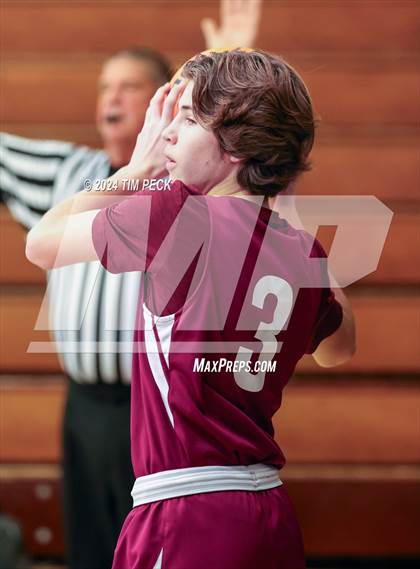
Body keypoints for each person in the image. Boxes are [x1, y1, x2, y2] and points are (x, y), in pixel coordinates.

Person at [26, 48, 355, 568]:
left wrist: (137, 168)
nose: (168, 135)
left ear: (236, 146)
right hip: (268, 511)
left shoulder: (179, 215)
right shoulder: (302, 249)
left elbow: (41, 243)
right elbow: (339, 348)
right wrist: (292, 216)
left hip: (186, 512)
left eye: (188, 119)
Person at [1, 3, 262, 567]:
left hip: (157, 410)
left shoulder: (187, 183)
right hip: (82, 405)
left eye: (128, 87)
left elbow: (247, 162)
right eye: (104, 87)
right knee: (90, 549)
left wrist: (230, 66)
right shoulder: (69, 174)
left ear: (162, 103)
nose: (111, 98)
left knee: (151, 550)